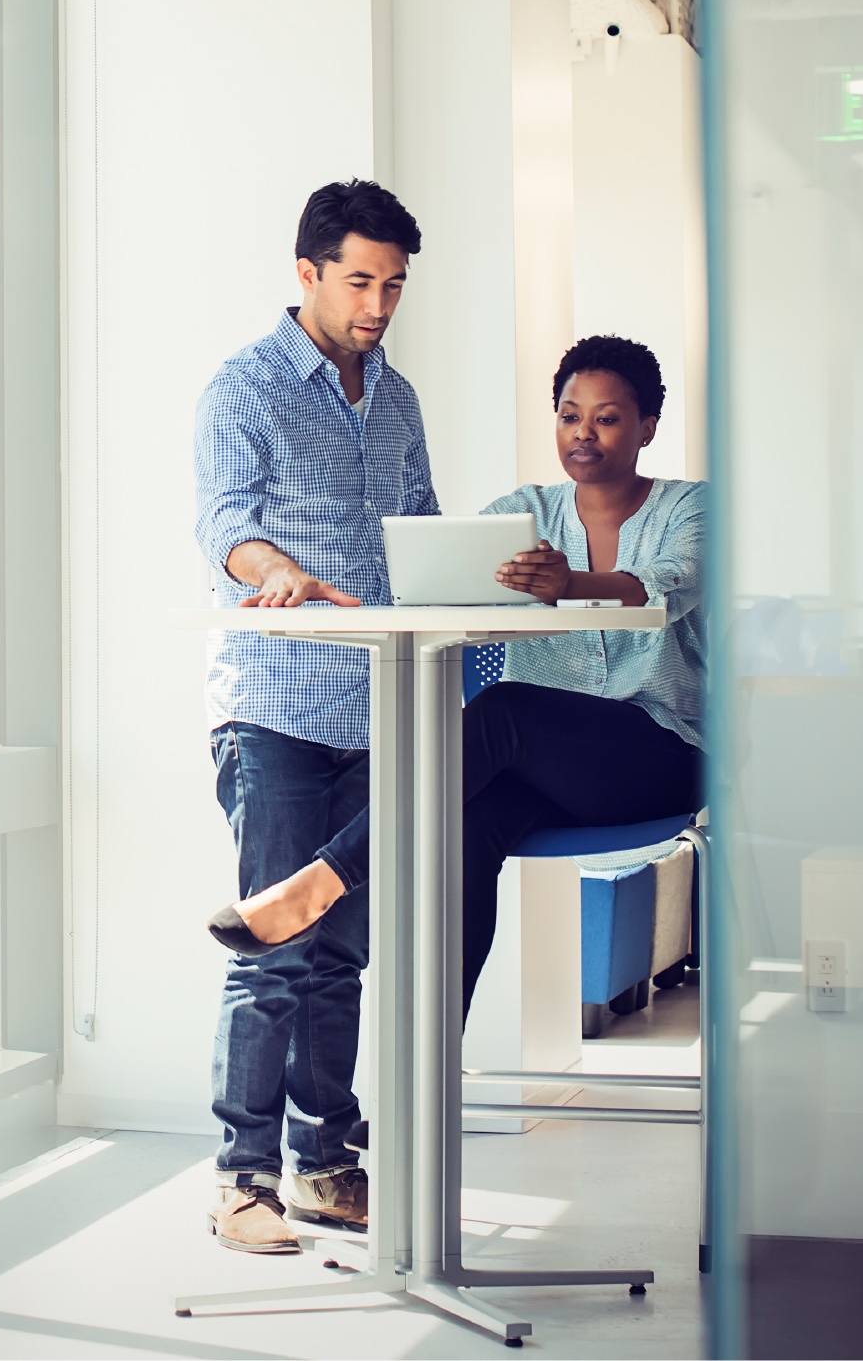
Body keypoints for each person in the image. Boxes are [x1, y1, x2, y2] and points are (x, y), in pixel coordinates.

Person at [210, 333, 705, 1023]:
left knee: (503, 710)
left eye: (607, 416)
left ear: (647, 425)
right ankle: (429, 1078)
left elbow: (668, 588)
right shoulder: (519, 514)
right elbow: (438, 584)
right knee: (465, 827)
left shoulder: (690, 508)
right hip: (551, 781)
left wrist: (569, 584)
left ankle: (322, 879)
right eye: (568, 414)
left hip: (660, 757)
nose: (582, 432)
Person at [193, 179, 436, 1255]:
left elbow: (422, 530)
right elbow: (223, 524)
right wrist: (274, 567)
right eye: (359, 281)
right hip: (276, 710)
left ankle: (326, 1166)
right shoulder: (242, 388)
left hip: (376, 708)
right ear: (307, 274)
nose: (377, 304)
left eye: (392, 284)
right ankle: (241, 1179)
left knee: (340, 952)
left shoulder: (399, 400)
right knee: (271, 954)